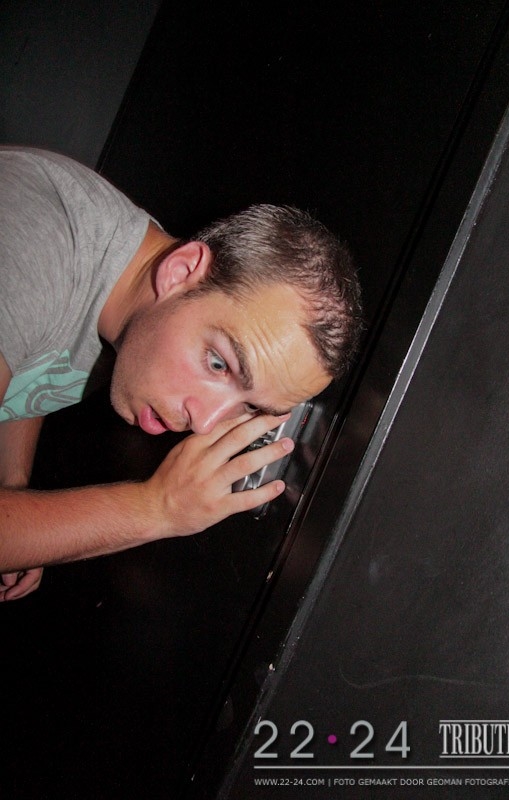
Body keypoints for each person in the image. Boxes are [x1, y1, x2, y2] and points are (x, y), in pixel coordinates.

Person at [0, 147, 363, 601]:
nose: (204, 421)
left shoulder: (139, 306)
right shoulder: (34, 234)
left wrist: (15, 489)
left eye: (250, 406)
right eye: (218, 364)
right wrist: (156, 509)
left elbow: (30, 347)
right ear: (181, 271)